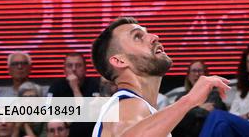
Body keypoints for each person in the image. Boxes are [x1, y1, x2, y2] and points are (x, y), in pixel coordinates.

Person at [90, 17, 230, 136]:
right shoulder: (128, 105)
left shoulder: (142, 110)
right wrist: (189, 100)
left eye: (147, 33)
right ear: (120, 61)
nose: (154, 37)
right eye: (137, 37)